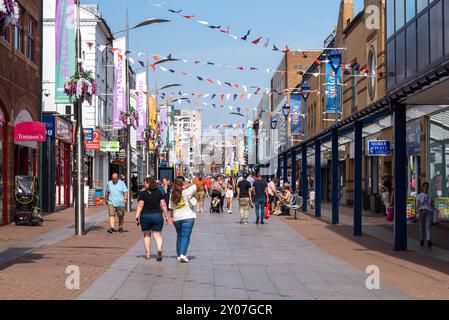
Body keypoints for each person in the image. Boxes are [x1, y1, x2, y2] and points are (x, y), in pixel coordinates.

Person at [135, 177, 169, 261]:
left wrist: (137, 216)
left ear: (148, 183)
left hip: (145, 216)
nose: (144, 184)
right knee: (157, 235)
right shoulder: (159, 192)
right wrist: (166, 215)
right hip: (157, 215)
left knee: (146, 235)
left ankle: (148, 254)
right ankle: (159, 250)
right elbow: (163, 204)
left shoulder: (143, 193)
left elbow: (140, 205)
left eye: (145, 182)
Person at [169, 177, 197, 263]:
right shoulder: (187, 191)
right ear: (183, 183)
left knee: (179, 235)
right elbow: (195, 185)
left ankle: (178, 254)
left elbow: (171, 207)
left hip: (176, 218)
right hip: (188, 217)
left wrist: (171, 218)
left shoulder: (172, 194)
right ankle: (182, 254)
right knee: (186, 236)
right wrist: (187, 185)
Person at [417, 182, 435, 248]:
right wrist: (417, 212)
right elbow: (418, 205)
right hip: (422, 211)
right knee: (422, 227)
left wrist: (433, 205)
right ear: (422, 187)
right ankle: (421, 239)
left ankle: (428, 240)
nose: (426, 188)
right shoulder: (420, 195)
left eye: (427, 186)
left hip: (429, 212)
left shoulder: (431, 195)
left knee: (428, 226)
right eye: (425, 186)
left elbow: (433, 204)